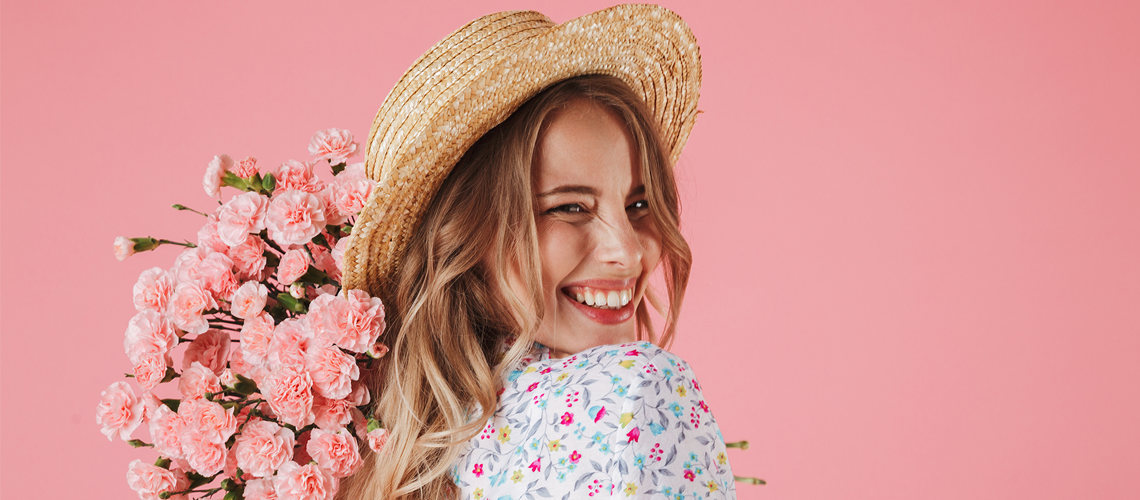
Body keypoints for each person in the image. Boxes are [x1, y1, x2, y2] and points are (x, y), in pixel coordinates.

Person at [338, 5, 735, 499]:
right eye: (569, 207)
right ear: (463, 236)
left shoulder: (386, 451)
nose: (628, 251)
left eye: (638, 203)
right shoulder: (636, 394)